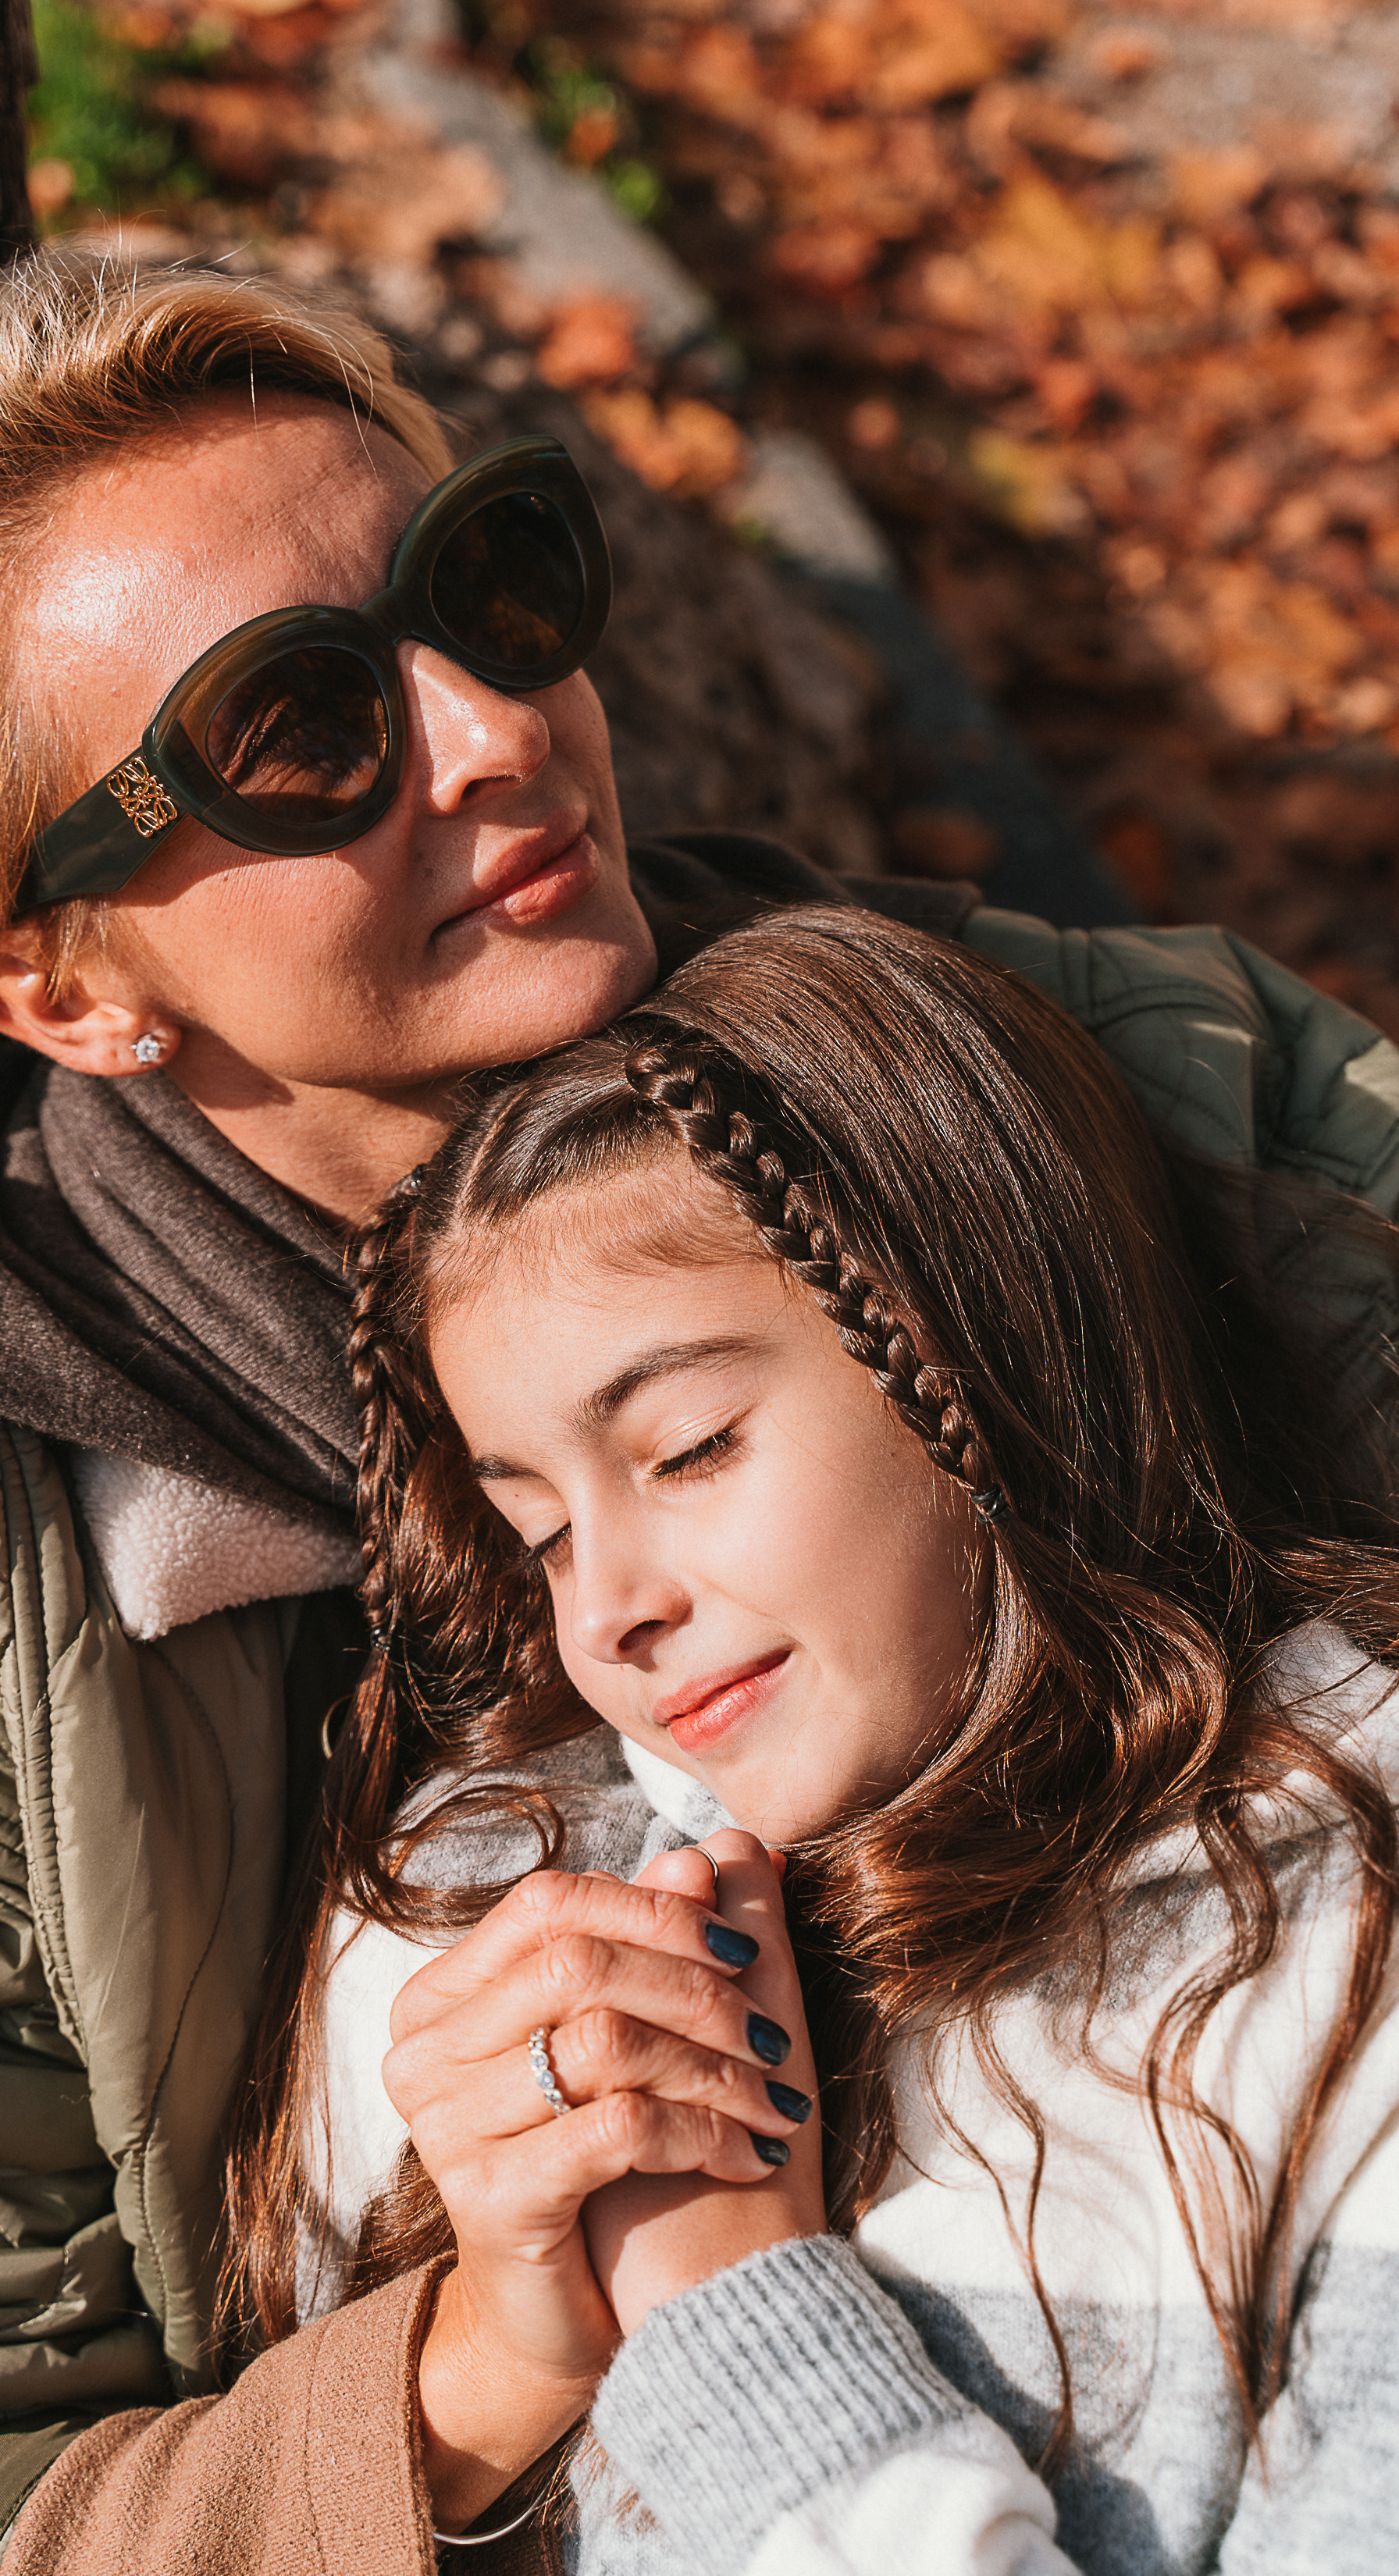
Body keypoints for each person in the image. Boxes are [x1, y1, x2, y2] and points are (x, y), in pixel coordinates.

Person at [0, 243, 1394, 2575]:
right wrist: (483, 2364)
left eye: (488, 586)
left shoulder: (1120, 1098)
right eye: (297, 732)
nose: (497, 730)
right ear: (57, 985)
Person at [137, 901, 1394, 2576]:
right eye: (540, 1534)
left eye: (687, 1447)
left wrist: (735, 2319)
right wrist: (472, 2382)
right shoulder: (492, 1925)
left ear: (986, 1336)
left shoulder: (1340, 1965)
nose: (607, 1615)